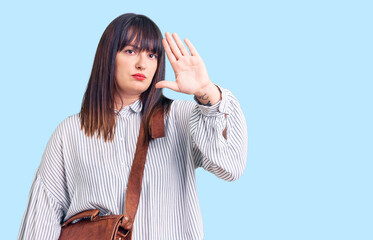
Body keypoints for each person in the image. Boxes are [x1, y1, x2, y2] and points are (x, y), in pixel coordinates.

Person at [18, 13, 248, 239]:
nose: (142, 64)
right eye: (130, 51)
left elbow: (231, 166)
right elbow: (41, 221)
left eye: (151, 55)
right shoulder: (69, 133)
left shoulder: (181, 117)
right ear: (108, 56)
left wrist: (206, 92)